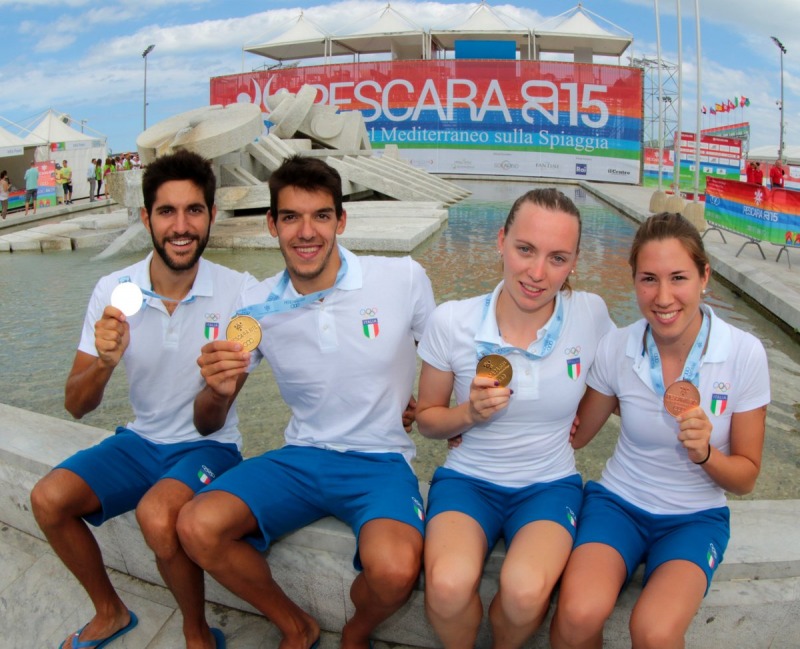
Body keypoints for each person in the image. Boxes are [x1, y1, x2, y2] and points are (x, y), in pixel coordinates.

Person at [177, 155, 436, 649]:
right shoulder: (254, 307)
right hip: (301, 457)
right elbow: (208, 423)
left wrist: (431, 406)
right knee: (196, 525)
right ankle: (296, 624)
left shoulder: (401, 277)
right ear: (272, 224)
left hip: (379, 460)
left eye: (320, 215)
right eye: (291, 217)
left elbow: (444, 360)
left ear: (340, 220)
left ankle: (356, 634)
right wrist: (216, 390)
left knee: (397, 570)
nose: (306, 232)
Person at [29, 150, 249, 649]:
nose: (181, 226)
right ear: (146, 217)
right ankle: (110, 611)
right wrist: (105, 362)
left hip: (207, 448)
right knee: (48, 500)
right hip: (140, 440)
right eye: (166, 211)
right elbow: (75, 405)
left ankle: (197, 633)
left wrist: (219, 387)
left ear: (212, 216)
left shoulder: (241, 294)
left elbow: (212, 424)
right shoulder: (114, 289)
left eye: (194, 210)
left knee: (157, 513)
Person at [550, 212, 770, 649]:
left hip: (694, 518)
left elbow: (745, 478)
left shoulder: (743, 353)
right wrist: (477, 423)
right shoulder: (618, 346)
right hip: (618, 505)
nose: (664, 296)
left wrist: (706, 452)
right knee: (575, 616)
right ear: (634, 281)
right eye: (649, 279)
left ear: (705, 276)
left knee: (653, 632)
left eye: (679, 278)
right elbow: (573, 431)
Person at [415, 188, 614, 648]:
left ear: (575, 262)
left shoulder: (591, 314)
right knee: (446, 585)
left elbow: (621, 378)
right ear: (501, 240)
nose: (538, 273)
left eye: (558, 258)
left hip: (549, 484)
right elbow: (427, 420)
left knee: (525, 592)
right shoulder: (452, 321)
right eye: (525, 249)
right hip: (468, 480)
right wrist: (468, 413)